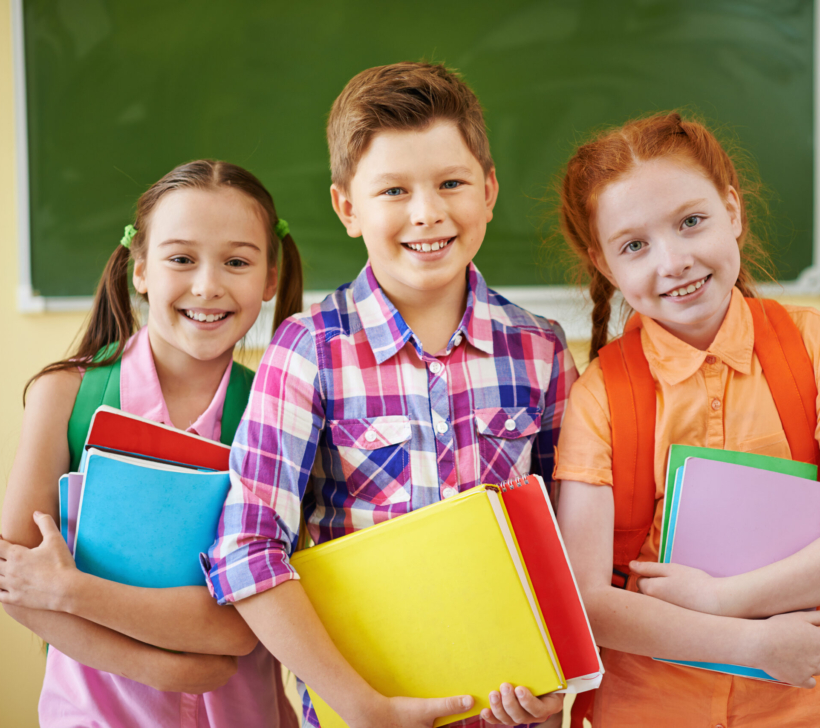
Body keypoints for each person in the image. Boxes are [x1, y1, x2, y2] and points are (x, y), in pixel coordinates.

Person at [203, 62, 576, 728]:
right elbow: (246, 549)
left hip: (509, 707)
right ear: (348, 208)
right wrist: (362, 706)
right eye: (394, 190)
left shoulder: (540, 349)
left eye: (451, 183)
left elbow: (568, 544)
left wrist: (560, 689)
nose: (427, 213)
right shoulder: (307, 350)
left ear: (489, 190)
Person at [553, 112, 820, 727]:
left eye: (691, 222)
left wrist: (722, 599)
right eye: (635, 245)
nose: (675, 260)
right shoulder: (600, 395)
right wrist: (748, 642)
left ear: (733, 214)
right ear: (605, 265)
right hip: (651, 705)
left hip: (806, 692)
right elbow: (589, 602)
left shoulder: (811, 346)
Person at [0, 159, 304, 727]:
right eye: (181, 259)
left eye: (236, 261)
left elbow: (248, 622)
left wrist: (70, 591)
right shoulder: (64, 395)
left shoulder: (278, 407)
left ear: (269, 279)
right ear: (140, 268)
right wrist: (163, 668)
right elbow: (15, 580)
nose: (208, 285)